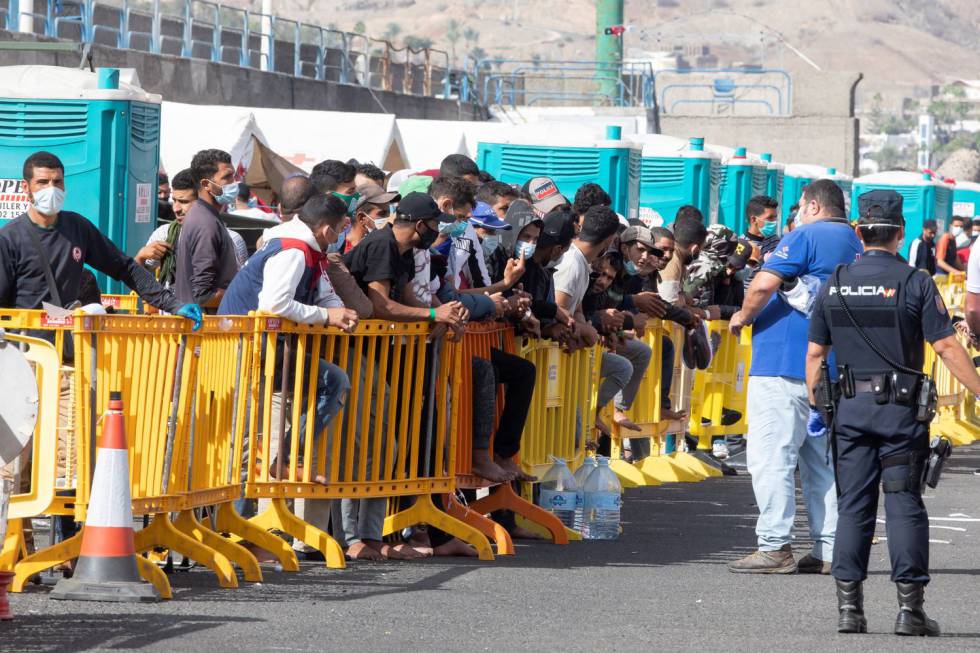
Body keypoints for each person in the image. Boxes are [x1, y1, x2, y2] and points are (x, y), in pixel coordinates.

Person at [806, 189, 980, 636]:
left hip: (849, 411)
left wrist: (820, 404)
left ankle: (850, 610)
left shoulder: (837, 280)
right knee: (904, 503)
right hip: (900, 414)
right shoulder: (916, 281)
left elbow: (814, 355)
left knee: (853, 506)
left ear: (859, 232)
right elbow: (944, 345)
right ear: (900, 233)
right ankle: (910, 611)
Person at [727, 179, 863, 575]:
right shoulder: (854, 243)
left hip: (783, 362)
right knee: (819, 464)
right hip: (826, 368)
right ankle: (827, 547)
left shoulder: (805, 236)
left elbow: (765, 283)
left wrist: (743, 315)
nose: (796, 213)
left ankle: (774, 544)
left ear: (815, 207)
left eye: (801, 205)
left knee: (771, 457)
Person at [0, 151, 201, 327]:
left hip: (70, 346)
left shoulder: (77, 227)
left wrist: (173, 304)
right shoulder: (9, 238)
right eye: (42, 182)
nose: (51, 189)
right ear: (26, 187)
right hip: (27, 349)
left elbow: (125, 268)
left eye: (57, 181)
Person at [553, 205, 628, 436]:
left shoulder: (582, 264)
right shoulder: (571, 263)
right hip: (554, 357)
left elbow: (577, 311)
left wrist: (586, 329)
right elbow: (559, 309)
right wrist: (586, 331)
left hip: (571, 356)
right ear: (609, 240)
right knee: (572, 433)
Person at [137, 169, 248, 284]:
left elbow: (239, 288)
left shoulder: (232, 240)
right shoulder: (164, 234)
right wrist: (141, 257)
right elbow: (139, 281)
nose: (176, 209)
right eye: (174, 200)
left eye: (184, 202)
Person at [174, 149, 241, 309]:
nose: (234, 182)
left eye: (234, 176)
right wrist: (243, 291)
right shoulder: (205, 223)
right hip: (203, 329)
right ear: (206, 184)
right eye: (227, 177)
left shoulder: (206, 216)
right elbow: (204, 296)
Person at [659, 214, 708, 305]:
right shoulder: (672, 261)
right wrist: (705, 313)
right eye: (701, 249)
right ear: (695, 249)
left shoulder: (680, 262)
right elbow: (670, 302)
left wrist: (684, 297)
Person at [345, 183, 399, 253]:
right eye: (382, 214)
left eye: (390, 212)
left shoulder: (384, 245)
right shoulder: (343, 253)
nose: (390, 218)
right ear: (362, 218)